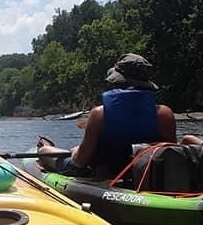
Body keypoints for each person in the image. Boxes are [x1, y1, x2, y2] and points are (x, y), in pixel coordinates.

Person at [37, 53, 176, 177]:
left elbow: (80, 162)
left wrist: (75, 151)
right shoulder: (165, 114)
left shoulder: (99, 114)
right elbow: (172, 157)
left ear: (118, 80)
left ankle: (44, 151)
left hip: (100, 175)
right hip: (144, 176)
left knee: (44, 151)